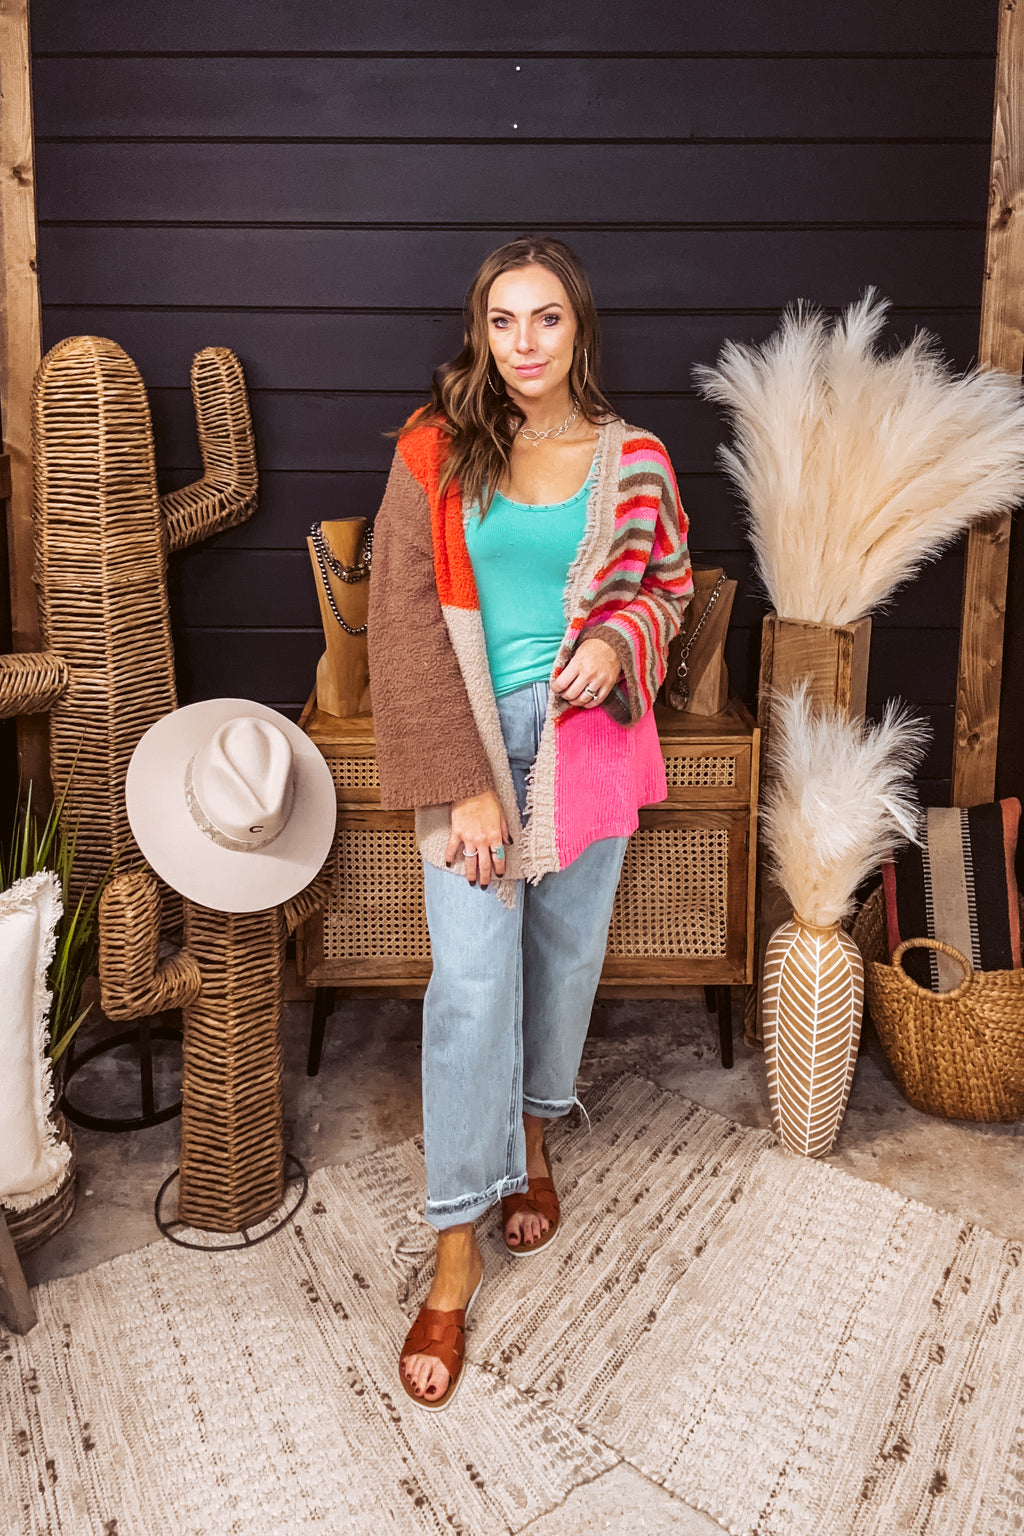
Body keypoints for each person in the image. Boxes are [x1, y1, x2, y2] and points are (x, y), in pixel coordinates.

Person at [367, 236, 693, 1410]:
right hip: (469, 746)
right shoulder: (435, 449)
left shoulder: (634, 458)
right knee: (468, 985)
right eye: (502, 323)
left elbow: (669, 586)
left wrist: (614, 643)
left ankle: (535, 1139)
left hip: (588, 744)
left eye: (544, 320)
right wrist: (461, 779)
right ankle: (453, 1249)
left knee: (561, 966)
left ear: (578, 327)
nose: (524, 345)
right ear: (479, 331)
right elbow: (400, 619)